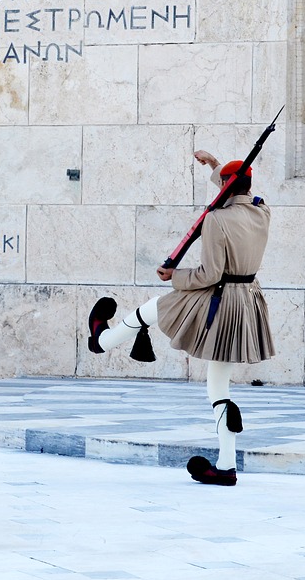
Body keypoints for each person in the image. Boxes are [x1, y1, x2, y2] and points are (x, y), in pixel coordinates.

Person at [87, 151, 274, 486]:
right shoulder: (262, 211)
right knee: (219, 388)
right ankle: (226, 466)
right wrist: (216, 164)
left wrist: (173, 275)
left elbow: (209, 273)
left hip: (218, 299)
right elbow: (231, 190)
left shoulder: (217, 220)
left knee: (155, 306)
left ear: (225, 188)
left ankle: (101, 341)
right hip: (246, 301)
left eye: (220, 183)